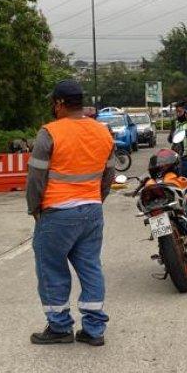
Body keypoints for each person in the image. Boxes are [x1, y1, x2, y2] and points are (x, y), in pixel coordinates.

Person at [25, 80, 116, 346]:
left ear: (60, 104)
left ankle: (60, 326)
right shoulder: (103, 132)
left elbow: (35, 179)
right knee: (90, 266)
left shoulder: (49, 133)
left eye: (54, 103)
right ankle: (94, 329)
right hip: (92, 210)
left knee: (51, 267)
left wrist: (34, 208)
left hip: (57, 212)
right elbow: (108, 176)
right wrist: (96, 200)